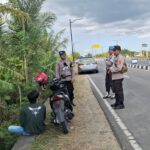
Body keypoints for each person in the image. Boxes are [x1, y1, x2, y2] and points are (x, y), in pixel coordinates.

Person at [109, 45, 125, 109]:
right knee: (116, 91)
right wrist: (110, 68)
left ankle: (121, 104)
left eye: (114, 51)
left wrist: (111, 69)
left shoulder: (120, 57)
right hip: (114, 77)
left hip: (118, 77)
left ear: (118, 50)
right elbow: (114, 65)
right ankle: (117, 103)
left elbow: (119, 68)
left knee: (119, 91)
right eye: (113, 51)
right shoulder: (116, 57)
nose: (113, 52)